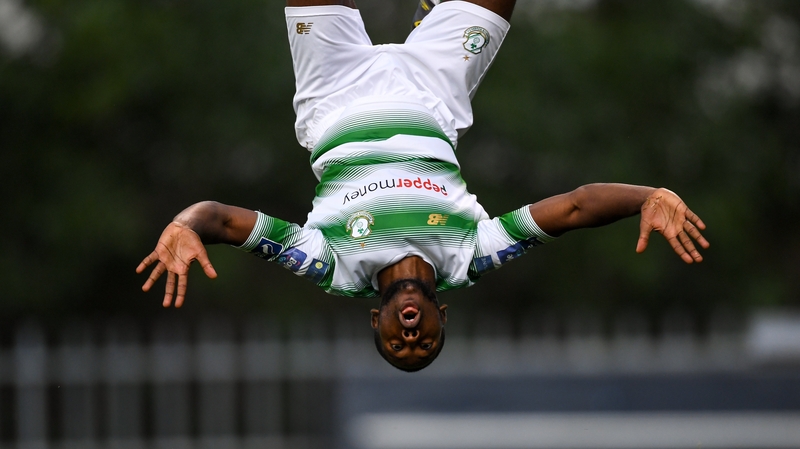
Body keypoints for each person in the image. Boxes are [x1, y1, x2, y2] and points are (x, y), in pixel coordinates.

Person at [137, 0, 710, 372]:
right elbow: (574, 209)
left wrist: (184, 227)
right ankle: (435, 16)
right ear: (442, 320)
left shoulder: (332, 268)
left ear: (375, 322)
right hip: (432, 89)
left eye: (396, 344)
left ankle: (429, 13)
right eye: (425, 344)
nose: (410, 337)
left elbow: (220, 219)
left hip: (334, 90)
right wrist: (647, 196)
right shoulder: (469, 258)